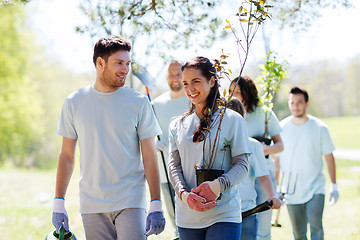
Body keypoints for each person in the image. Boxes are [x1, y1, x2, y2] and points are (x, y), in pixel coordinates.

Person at [52, 36, 165, 240]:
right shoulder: (74, 102)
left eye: (128, 63)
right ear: (100, 63)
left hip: (131, 200)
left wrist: (156, 202)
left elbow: (149, 155)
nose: (125, 69)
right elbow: (67, 156)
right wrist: (58, 202)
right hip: (92, 204)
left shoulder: (138, 102)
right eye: (119, 63)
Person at [168, 56, 251, 240]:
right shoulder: (176, 125)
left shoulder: (232, 120)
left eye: (196, 81)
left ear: (212, 81)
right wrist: (184, 195)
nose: (190, 89)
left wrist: (217, 186)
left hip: (224, 215)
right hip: (187, 217)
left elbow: (243, 164)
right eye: (186, 83)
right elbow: (174, 167)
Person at [273, 87, 339, 240]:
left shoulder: (320, 128)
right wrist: (277, 188)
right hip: (291, 191)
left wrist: (334, 185)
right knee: (299, 234)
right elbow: (276, 161)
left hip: (315, 188)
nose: (296, 106)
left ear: (307, 104)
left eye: (299, 102)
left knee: (316, 228)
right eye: (292, 102)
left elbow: (329, 157)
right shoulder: (281, 129)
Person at [229, 76, 283, 240]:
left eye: (238, 92)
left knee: (263, 224)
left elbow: (280, 145)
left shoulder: (264, 114)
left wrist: (265, 149)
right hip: (243, 178)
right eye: (231, 91)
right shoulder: (229, 113)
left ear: (248, 93)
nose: (233, 95)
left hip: (262, 172)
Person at [152, 60, 190, 238]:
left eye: (178, 74)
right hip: (165, 172)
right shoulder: (155, 105)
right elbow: (143, 134)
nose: (175, 79)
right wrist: (152, 143)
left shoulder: (193, 101)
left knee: (192, 219)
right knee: (175, 221)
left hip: (190, 170)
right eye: (171, 74)